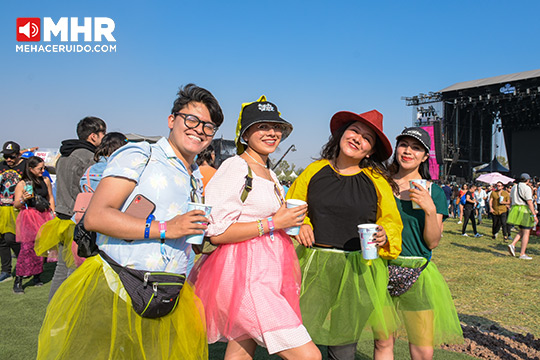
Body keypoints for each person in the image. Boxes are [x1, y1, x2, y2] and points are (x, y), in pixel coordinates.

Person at [37, 84, 223, 360]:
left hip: (169, 290)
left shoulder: (195, 173)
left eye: (209, 127)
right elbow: (97, 216)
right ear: (172, 120)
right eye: (192, 119)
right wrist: (166, 228)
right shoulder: (140, 155)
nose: (200, 130)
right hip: (119, 284)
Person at [191, 96, 321, 360]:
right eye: (262, 126)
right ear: (246, 133)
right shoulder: (234, 167)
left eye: (276, 127)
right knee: (309, 356)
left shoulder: (269, 172)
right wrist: (275, 223)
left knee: (241, 349)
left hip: (266, 273)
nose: (272, 133)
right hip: (244, 276)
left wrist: (293, 224)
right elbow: (216, 233)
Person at [286, 109, 403, 360]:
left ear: (370, 151)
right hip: (314, 265)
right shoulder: (314, 170)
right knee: (299, 335)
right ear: (341, 134)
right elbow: (292, 204)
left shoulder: (377, 180)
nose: (358, 138)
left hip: (358, 269)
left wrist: (384, 235)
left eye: (367, 138)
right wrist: (302, 223)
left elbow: (392, 222)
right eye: (354, 131)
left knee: (344, 343)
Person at [374, 127, 463, 360]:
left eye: (416, 148)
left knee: (422, 348)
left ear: (425, 156)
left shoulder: (434, 192)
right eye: (403, 145)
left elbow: (432, 242)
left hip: (418, 272)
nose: (408, 151)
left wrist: (430, 208)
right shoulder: (381, 185)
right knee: (383, 343)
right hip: (380, 268)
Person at [38, 116, 107, 301]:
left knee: (62, 268)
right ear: (93, 136)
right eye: (103, 134)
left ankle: (54, 310)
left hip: (62, 218)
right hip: (78, 221)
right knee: (75, 269)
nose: (104, 138)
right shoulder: (88, 157)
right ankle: (67, 313)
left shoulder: (64, 155)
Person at [12, 156, 55, 293]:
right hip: (29, 216)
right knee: (27, 248)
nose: (43, 171)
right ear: (30, 169)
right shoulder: (23, 184)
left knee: (42, 247)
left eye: (44, 168)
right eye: (40, 168)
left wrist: (53, 214)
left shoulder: (45, 180)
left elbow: (50, 197)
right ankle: (19, 279)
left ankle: (37, 275)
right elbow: (17, 205)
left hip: (44, 215)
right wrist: (22, 198)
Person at [0, 141, 25, 283]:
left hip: (18, 208)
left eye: (12, 156)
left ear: (18, 154)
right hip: (2, 207)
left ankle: (24, 265)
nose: (8, 159)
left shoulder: (25, 165)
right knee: (2, 241)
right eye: (6, 156)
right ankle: (6, 271)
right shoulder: (1, 166)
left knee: (12, 238)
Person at [507, 173, 537, 260]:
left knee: (522, 230)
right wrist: (534, 215)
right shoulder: (526, 188)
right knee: (526, 232)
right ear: (528, 180)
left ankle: (513, 244)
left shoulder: (514, 187)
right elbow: (529, 202)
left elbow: (511, 199)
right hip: (524, 210)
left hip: (515, 209)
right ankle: (522, 253)